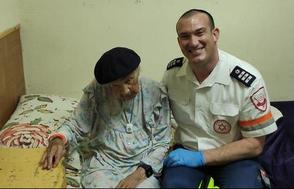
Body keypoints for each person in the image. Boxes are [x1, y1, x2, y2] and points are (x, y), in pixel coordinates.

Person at [161, 9, 277, 188]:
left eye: (200, 32)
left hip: (233, 158)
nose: (193, 42)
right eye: (185, 36)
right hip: (187, 152)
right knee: (173, 185)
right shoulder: (172, 75)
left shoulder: (247, 80)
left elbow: (255, 144)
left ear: (215, 34)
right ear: (179, 42)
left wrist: (202, 158)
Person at [41, 47, 172, 188]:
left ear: (138, 73)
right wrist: (58, 139)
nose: (124, 91)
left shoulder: (155, 92)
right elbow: (76, 125)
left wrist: (138, 175)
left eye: (129, 81)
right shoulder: (98, 89)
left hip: (142, 164)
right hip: (104, 163)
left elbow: (163, 142)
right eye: (115, 85)